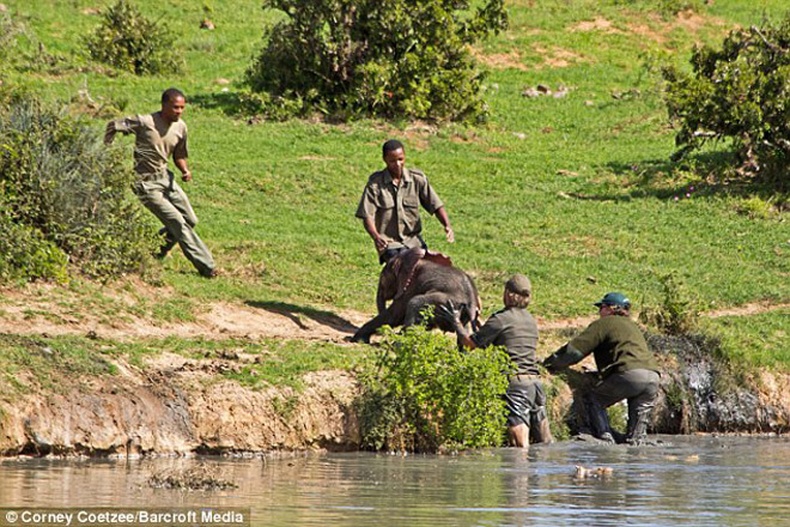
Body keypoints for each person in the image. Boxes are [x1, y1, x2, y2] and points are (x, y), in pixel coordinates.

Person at [105, 88, 218, 278]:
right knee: (177, 222)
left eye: (182, 108)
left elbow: (179, 154)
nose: (179, 111)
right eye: (175, 107)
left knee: (190, 220)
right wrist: (105, 151)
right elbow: (113, 125)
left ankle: (152, 252)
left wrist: (185, 170)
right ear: (164, 105)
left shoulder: (181, 127)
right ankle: (207, 266)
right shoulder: (145, 122)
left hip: (166, 178)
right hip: (145, 184)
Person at [437, 274, 553, 448]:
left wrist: (455, 322)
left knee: (519, 447)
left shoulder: (501, 319)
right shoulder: (530, 320)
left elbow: (470, 345)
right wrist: (478, 324)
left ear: (508, 294)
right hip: (535, 385)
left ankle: (521, 475)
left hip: (516, 386)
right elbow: (500, 335)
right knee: (545, 444)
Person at [543, 292, 660, 445]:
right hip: (653, 378)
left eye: (602, 307)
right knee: (636, 441)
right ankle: (636, 443)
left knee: (594, 400)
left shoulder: (605, 323)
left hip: (630, 375)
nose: (599, 312)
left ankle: (604, 438)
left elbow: (575, 351)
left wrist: (550, 363)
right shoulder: (633, 326)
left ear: (611, 309)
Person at [356, 139, 454, 264]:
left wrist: (447, 225)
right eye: (392, 161)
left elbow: (435, 204)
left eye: (400, 159)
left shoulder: (417, 179)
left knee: (430, 267)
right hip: (389, 244)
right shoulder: (375, 184)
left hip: (413, 241)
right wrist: (376, 236)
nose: (397, 164)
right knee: (403, 266)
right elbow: (367, 215)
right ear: (384, 160)